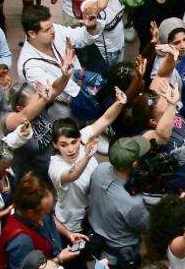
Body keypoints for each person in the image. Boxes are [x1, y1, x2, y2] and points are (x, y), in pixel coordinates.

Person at [47, 89, 126, 234]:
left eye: (74, 142)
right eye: (63, 145)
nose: (70, 149)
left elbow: (106, 119)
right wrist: (87, 156)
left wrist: (119, 103)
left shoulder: (83, 137)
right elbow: (72, 175)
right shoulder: (55, 166)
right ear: (55, 145)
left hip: (92, 213)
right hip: (72, 224)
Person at [86, 136, 151, 269]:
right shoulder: (133, 202)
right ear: (134, 164)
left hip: (97, 242)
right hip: (119, 258)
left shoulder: (100, 169)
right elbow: (146, 226)